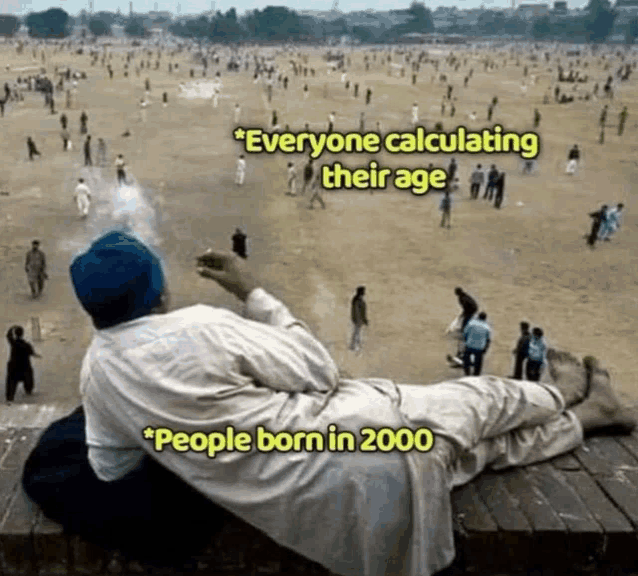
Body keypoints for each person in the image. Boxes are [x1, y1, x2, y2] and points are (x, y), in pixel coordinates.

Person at [20, 231, 638, 576]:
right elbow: (320, 372)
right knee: (483, 399)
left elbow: (109, 469)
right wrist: (255, 292)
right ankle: (566, 393)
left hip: (348, 513)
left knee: (478, 454)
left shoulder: (97, 371)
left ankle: (588, 417)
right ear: (158, 290)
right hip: (369, 434)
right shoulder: (200, 325)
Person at [5, 326, 41, 403]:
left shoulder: (13, 343)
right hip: (24, 367)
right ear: (22, 334)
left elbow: (8, 336)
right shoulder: (26, 345)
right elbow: (32, 353)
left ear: (16, 334)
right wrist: (36, 355)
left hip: (14, 367)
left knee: (11, 382)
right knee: (28, 377)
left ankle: (10, 397)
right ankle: (28, 390)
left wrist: (11, 328)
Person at [462, 311, 491, 376]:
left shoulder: (471, 323)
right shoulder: (487, 327)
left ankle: (467, 373)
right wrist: (485, 348)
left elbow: (465, 333)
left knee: (466, 360)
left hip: (469, 345)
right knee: (478, 363)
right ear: (485, 318)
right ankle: (476, 375)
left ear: (478, 317)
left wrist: (466, 341)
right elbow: (488, 339)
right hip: (480, 347)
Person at [350, 286, 368, 352]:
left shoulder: (357, 299)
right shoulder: (358, 300)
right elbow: (358, 311)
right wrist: (362, 319)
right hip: (358, 319)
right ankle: (355, 346)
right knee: (357, 332)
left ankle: (355, 345)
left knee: (356, 332)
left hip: (357, 319)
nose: (364, 292)